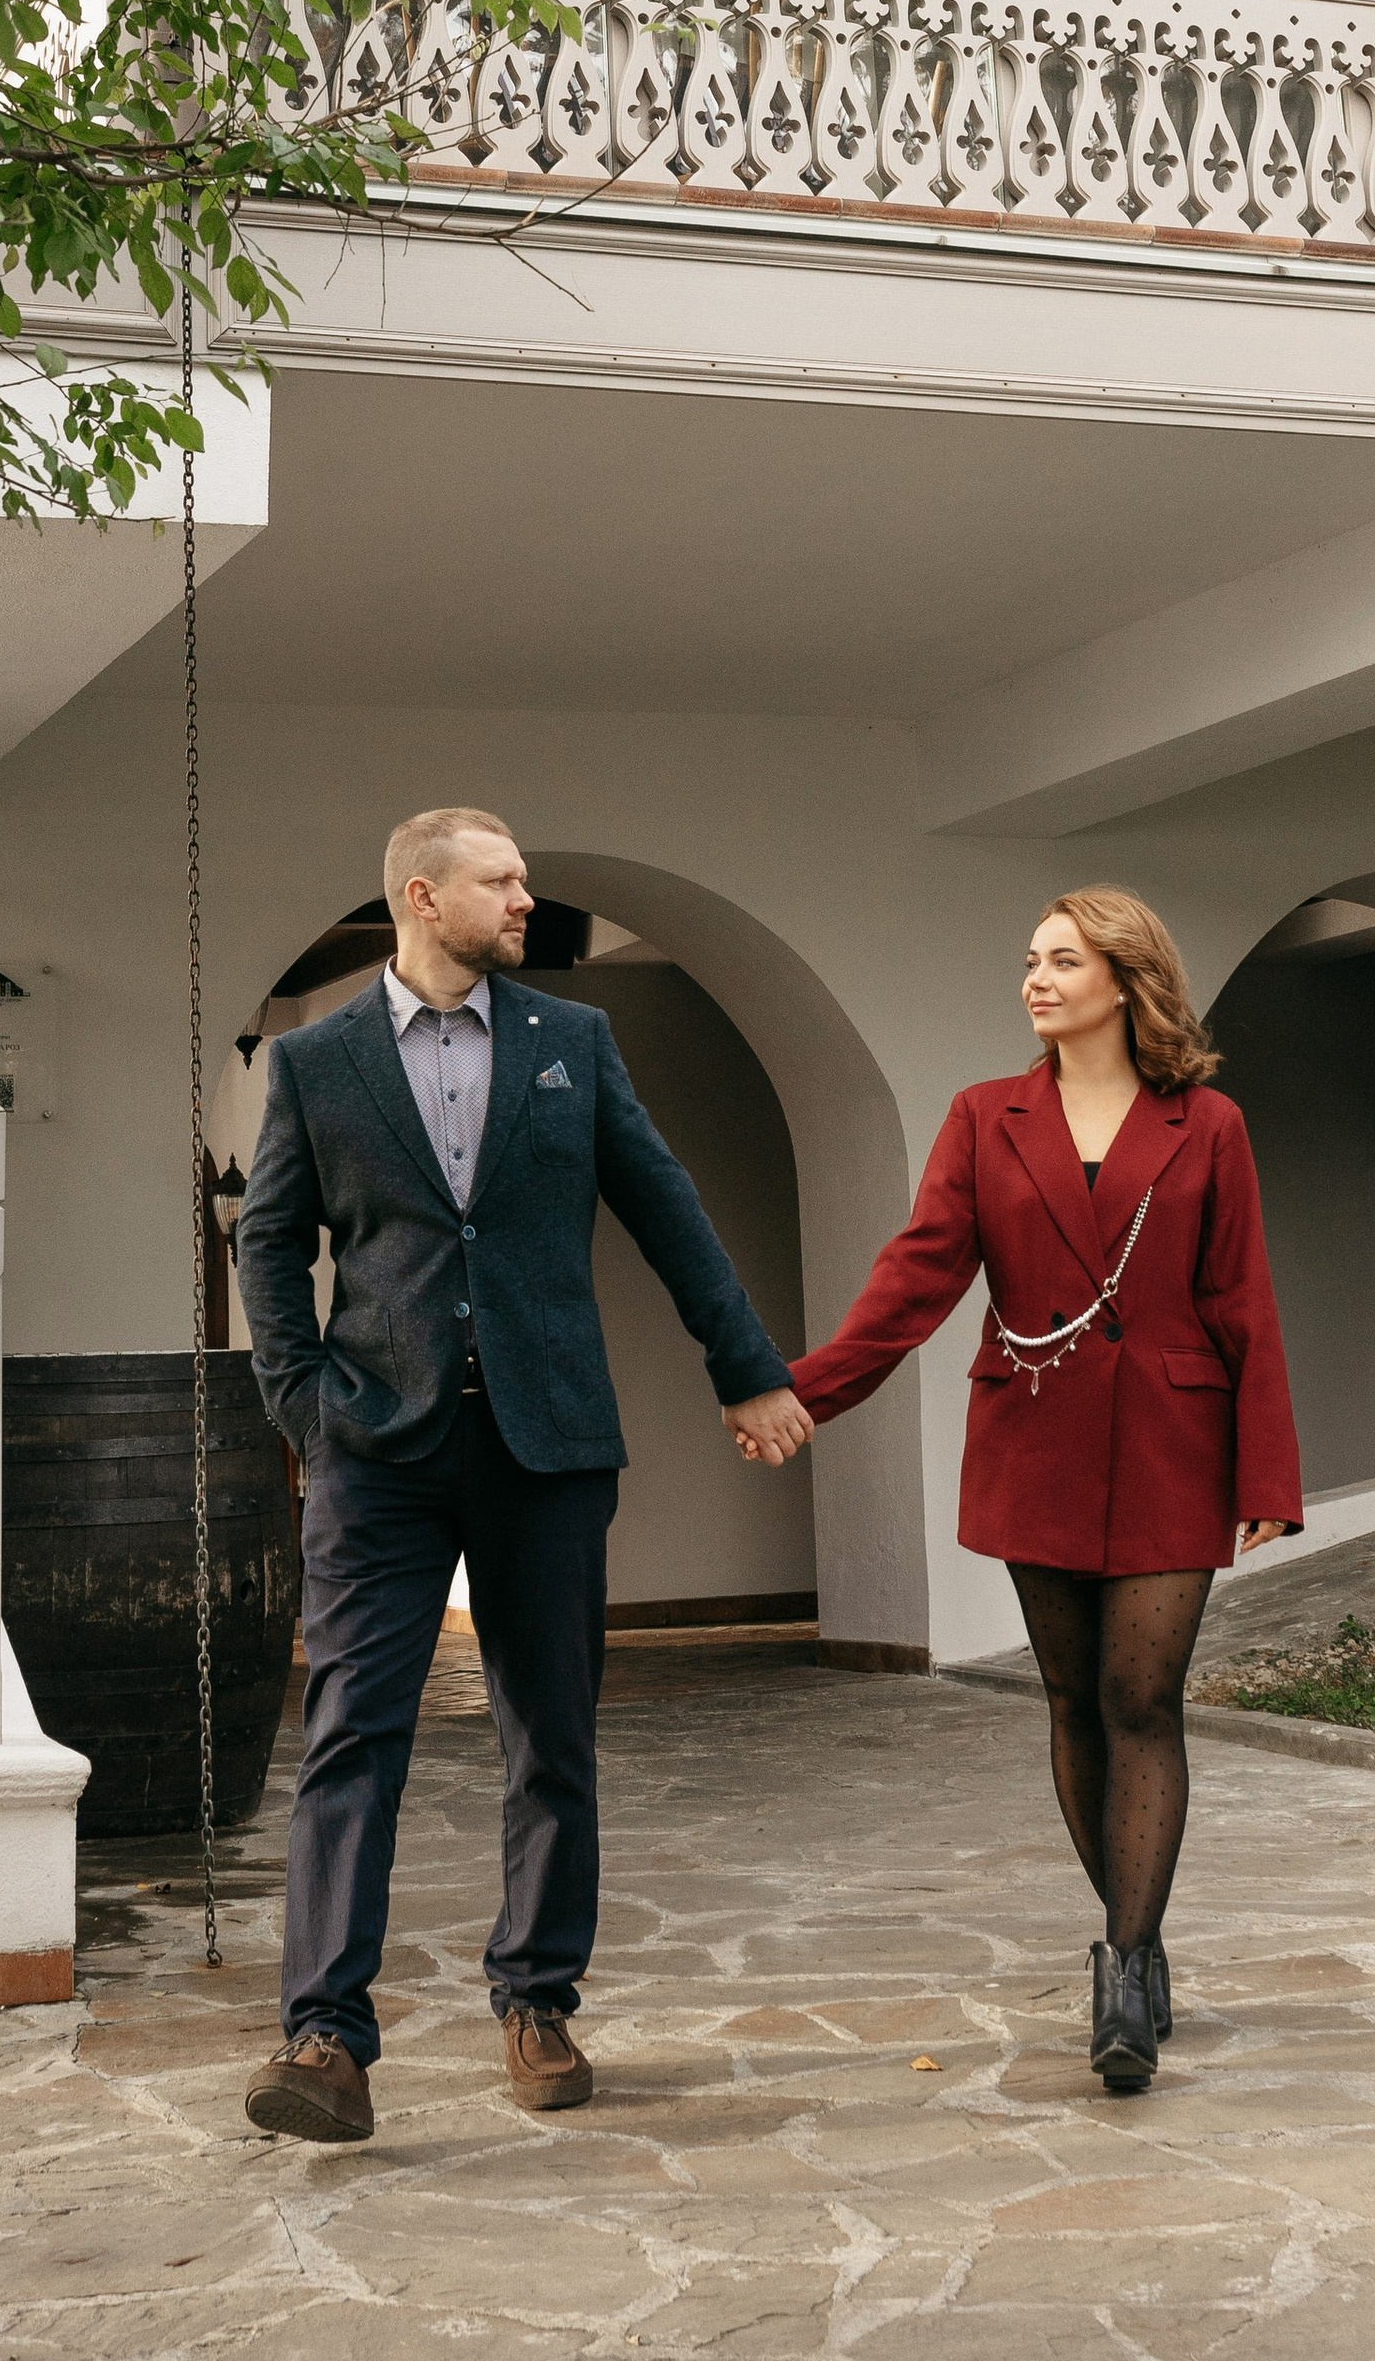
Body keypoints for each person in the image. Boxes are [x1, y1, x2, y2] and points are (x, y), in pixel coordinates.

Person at [235, 807, 814, 2143]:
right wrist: (308, 1411)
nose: (526, 897)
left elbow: (664, 1201)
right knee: (350, 1738)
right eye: (502, 880)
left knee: (549, 1734)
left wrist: (747, 1363)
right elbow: (271, 1246)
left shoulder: (573, 1044)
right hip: (376, 1452)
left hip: (548, 1445)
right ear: (424, 899)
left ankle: (537, 1998)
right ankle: (325, 2037)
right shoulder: (317, 1065)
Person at [759, 887, 1300, 2095]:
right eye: (1030, 961)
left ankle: (1122, 1965)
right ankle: (1140, 1942)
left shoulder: (1206, 1123)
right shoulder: (982, 1119)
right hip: (1034, 1433)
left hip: (1173, 1437)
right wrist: (803, 1390)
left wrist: (1266, 1472)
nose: (1035, 980)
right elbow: (918, 1277)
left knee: (1141, 1696)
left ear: (1124, 977)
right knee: (1071, 1700)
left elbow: (1240, 1299)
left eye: (1062, 960)